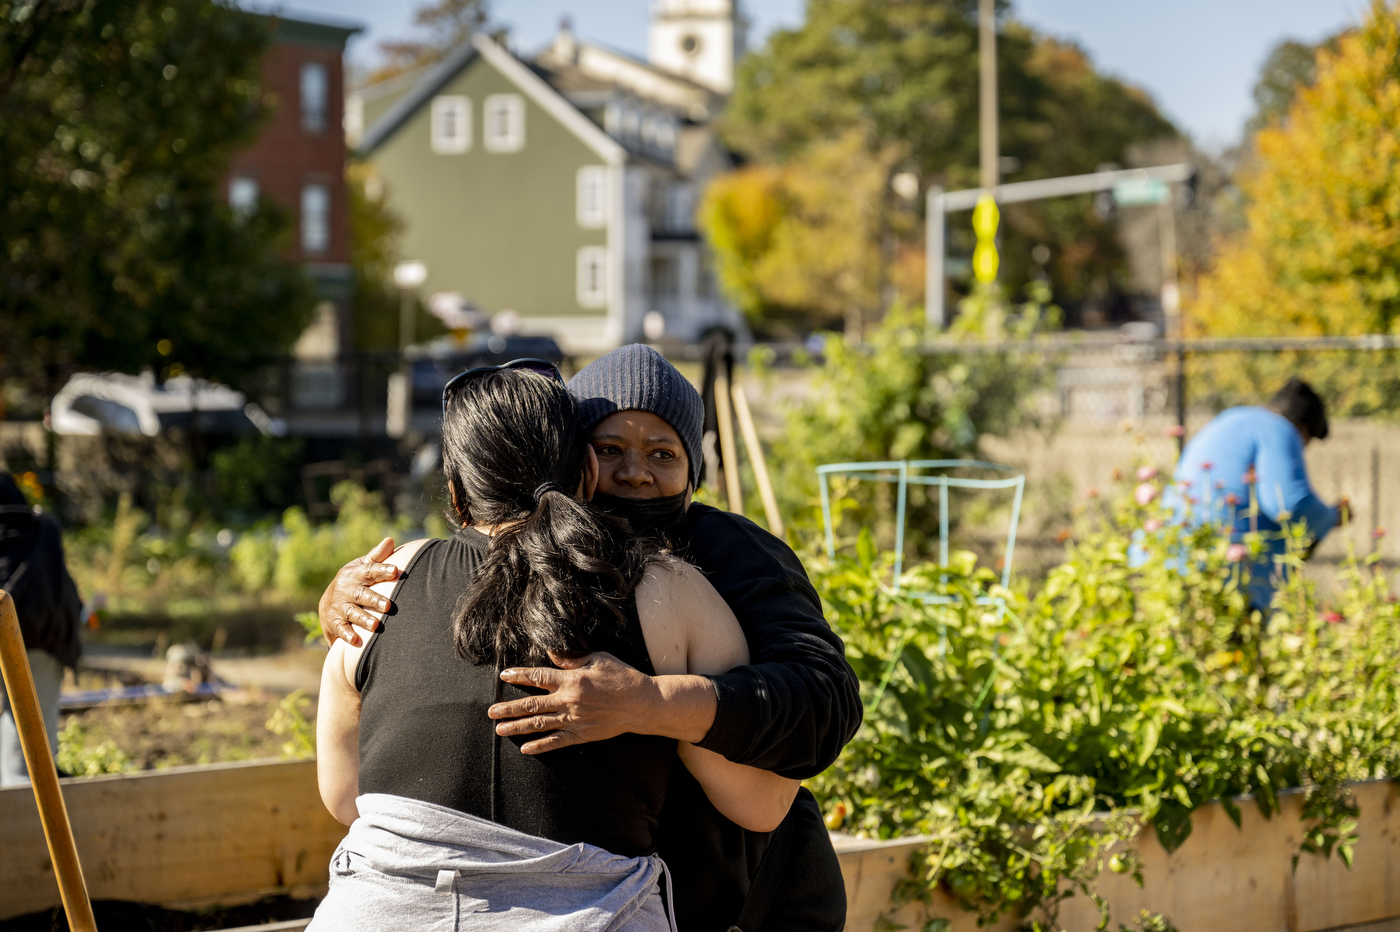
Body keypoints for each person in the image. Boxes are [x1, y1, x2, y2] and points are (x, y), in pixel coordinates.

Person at [319, 345, 860, 932]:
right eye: (610, 450)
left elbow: (822, 698)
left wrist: (652, 703)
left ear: (693, 468)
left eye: (662, 453)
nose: (633, 472)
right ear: (578, 463)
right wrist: (345, 606)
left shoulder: (722, 557)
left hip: (746, 899)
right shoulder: (479, 572)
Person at [1170, 377, 1347, 610]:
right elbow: (1289, 504)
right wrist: (1332, 516)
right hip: (1224, 575)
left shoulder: (1231, 418)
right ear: (1303, 429)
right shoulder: (1279, 429)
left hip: (1169, 557)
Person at [0, 471, 83, 787]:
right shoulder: (41, 529)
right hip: (47, 630)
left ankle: (25, 826)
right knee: (26, 747)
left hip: (37, 631)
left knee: (23, 761)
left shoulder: (33, 536)